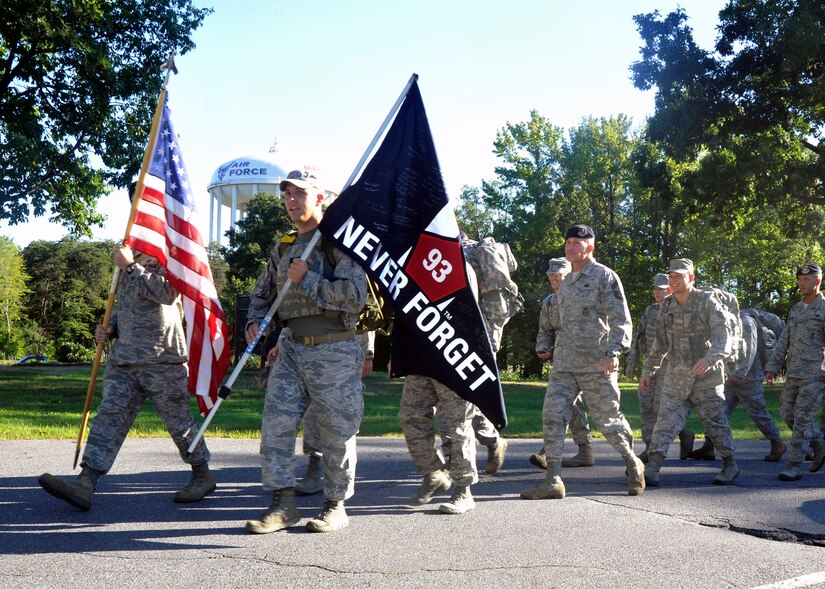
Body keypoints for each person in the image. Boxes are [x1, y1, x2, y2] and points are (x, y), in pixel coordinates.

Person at [38, 241, 216, 510]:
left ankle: (202, 475)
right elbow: (126, 306)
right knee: (109, 417)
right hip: (125, 359)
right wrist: (110, 327)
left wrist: (131, 268)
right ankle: (85, 483)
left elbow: (168, 293)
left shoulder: (169, 255)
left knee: (178, 422)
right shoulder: (128, 254)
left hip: (162, 357)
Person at [244, 169, 366, 534]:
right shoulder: (283, 246)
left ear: (319, 198)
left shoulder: (338, 242)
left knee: (336, 432)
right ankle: (283, 503)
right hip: (291, 348)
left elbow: (354, 297)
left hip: (335, 350)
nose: (292, 201)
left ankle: (335, 505)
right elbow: (262, 294)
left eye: (300, 193)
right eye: (287, 195)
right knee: (276, 425)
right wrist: (255, 320)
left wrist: (308, 279)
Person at [521, 224, 645, 500]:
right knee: (552, 417)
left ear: (590, 247)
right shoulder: (563, 285)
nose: (570, 247)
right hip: (564, 364)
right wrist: (545, 346)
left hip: (595, 363)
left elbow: (620, 319)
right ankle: (552, 480)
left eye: (577, 243)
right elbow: (557, 325)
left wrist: (613, 352)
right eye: (568, 243)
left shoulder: (604, 276)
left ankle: (633, 462)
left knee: (608, 421)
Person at [640, 259, 740, 487]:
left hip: (706, 376)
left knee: (716, 423)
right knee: (664, 422)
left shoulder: (707, 302)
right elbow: (660, 344)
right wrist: (649, 370)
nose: (673, 281)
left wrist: (709, 359)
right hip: (676, 376)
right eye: (671, 277)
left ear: (691, 278)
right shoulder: (666, 306)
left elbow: (723, 338)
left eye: (679, 276)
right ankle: (653, 467)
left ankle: (730, 464)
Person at [399, 261, 482, 515]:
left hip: (453, 354)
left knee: (457, 425)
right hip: (420, 355)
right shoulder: (410, 261)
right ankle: (434, 473)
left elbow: (468, 310)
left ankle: (463, 490)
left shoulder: (456, 263)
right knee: (410, 416)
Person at [688, 311, 786, 463]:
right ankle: (709, 446)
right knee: (718, 411)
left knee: (758, 412)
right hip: (728, 375)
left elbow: (750, 350)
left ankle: (777, 443)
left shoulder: (746, 321)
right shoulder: (723, 322)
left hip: (748, 377)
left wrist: (739, 373)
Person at [531, 257, 595, 469]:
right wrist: (542, 347)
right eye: (551, 274)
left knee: (575, 404)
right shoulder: (549, 302)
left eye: (558, 274)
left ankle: (551, 451)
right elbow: (544, 331)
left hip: (584, 356)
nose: (554, 277)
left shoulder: (582, 297)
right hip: (561, 358)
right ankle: (584, 451)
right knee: (567, 403)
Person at [765, 263, 825, 481]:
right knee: (786, 413)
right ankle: (818, 441)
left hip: (815, 374)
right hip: (793, 373)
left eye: (806, 280)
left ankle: (795, 464)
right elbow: (784, 341)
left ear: (817, 281)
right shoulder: (796, 309)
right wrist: (772, 366)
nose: (801, 283)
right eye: (800, 279)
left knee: (801, 419)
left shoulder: (824, 308)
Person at [625, 273, 695, 462]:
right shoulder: (649, 311)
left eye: (661, 289)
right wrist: (632, 360)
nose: (657, 293)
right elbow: (639, 337)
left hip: (670, 367)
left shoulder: (678, 309)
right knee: (646, 407)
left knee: (662, 409)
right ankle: (649, 448)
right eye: (655, 289)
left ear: (670, 290)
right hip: (650, 366)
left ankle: (681, 434)